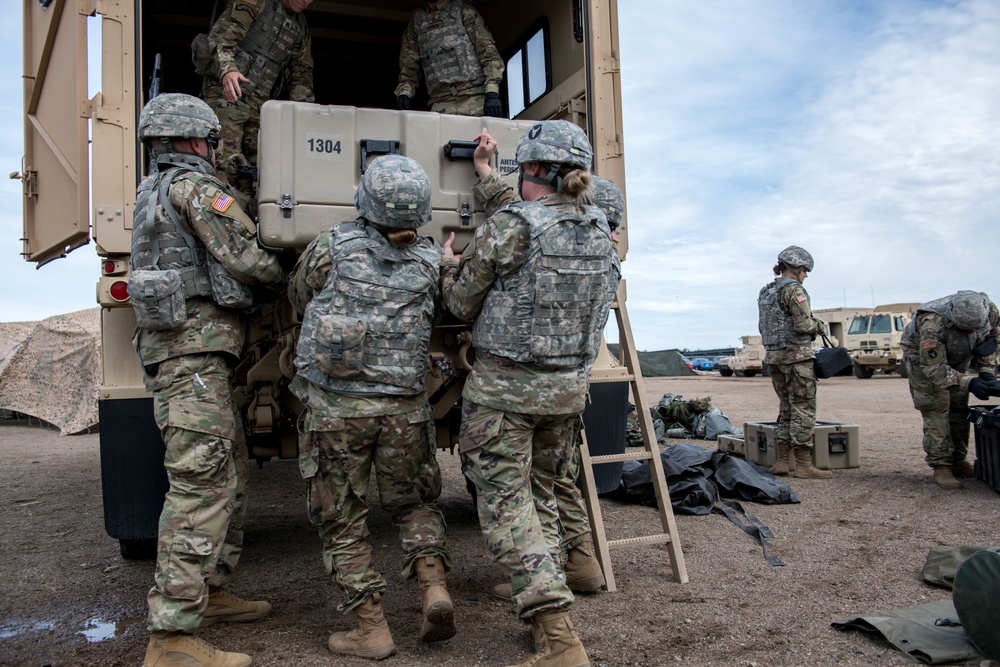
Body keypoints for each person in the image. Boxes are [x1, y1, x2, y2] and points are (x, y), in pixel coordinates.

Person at [441, 120, 614, 667]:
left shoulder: (513, 224)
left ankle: (557, 634)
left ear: (534, 169)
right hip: (565, 392)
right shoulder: (599, 228)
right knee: (548, 486)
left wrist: (449, 267)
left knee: (508, 506)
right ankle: (575, 566)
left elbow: (461, 303)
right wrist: (489, 176)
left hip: (504, 396)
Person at [129, 93, 286, 667]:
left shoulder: (151, 191)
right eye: (211, 140)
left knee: (230, 468)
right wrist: (299, 272)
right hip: (192, 360)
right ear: (197, 141)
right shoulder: (195, 189)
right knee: (199, 489)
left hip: (185, 358)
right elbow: (246, 257)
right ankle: (171, 639)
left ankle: (211, 590)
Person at [287, 155, 454, 660]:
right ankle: (433, 587)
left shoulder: (329, 248)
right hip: (404, 409)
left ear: (367, 201)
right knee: (414, 504)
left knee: (342, 517)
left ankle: (371, 628)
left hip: (337, 410)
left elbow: (298, 295)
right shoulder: (429, 261)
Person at [199, 0, 315, 200]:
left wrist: (306, 115)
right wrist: (228, 70)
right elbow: (220, 38)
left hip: (261, 106)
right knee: (224, 165)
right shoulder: (256, 2)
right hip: (227, 97)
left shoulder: (300, 27)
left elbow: (301, 74)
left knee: (262, 171)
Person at [900, 291, 1000, 489]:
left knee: (959, 406)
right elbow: (934, 369)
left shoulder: (989, 311)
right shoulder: (931, 323)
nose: (972, 332)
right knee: (936, 407)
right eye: (966, 329)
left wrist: (987, 370)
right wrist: (969, 383)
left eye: (975, 329)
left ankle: (957, 460)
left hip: (958, 356)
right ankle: (941, 465)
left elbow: (992, 340)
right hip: (924, 362)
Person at [757, 246, 831, 480]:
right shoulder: (794, 291)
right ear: (796, 269)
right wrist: (818, 324)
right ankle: (802, 464)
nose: (806, 275)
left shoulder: (766, 291)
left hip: (774, 358)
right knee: (803, 408)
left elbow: (763, 326)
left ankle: (781, 461)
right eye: (804, 271)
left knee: (786, 407)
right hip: (796, 358)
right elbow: (803, 325)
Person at [394, 0, 505, 117]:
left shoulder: (464, 11)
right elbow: (409, 66)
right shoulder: (417, 23)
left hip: (474, 100)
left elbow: (490, 55)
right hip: (440, 104)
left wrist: (492, 92)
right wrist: (404, 94)